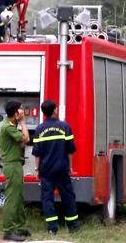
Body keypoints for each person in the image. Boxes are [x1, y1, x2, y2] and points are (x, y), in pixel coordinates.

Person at [32, 100, 79, 235]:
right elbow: (70, 150)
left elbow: (37, 154)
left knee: (47, 199)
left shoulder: (39, 129)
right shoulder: (65, 127)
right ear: (55, 110)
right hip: (62, 168)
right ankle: (73, 227)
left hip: (46, 170)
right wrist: (70, 167)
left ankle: (52, 229)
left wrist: (37, 169)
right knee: (68, 197)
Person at [0, 100, 30, 241]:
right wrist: (23, 122)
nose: (23, 111)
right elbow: (26, 138)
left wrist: (19, 120)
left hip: (15, 164)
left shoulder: (10, 123)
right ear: (16, 112)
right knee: (12, 198)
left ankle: (20, 227)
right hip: (11, 165)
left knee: (18, 197)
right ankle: (8, 231)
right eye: (21, 109)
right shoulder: (7, 127)